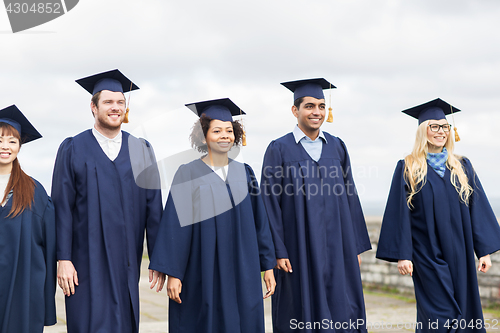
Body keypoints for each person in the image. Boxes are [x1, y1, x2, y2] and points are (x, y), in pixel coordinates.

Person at [149, 98, 276, 333]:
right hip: (202, 267)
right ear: (203, 135)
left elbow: (261, 223)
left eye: (229, 130)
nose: (224, 136)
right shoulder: (188, 173)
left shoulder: (245, 173)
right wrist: (174, 273)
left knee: (244, 319)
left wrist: (268, 265)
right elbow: (175, 225)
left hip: (242, 267)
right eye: (217, 130)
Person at [52, 69, 165, 333]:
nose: (115, 108)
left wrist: (158, 258)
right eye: (108, 102)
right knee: (87, 321)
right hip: (83, 258)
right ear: (93, 107)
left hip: (127, 256)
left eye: (120, 103)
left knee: (124, 320)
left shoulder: (141, 149)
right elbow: (62, 207)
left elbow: (154, 208)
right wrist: (63, 258)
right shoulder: (72, 148)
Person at [376, 98, 500, 333]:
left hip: (461, 253)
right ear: (423, 130)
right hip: (426, 255)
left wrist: (483, 251)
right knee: (439, 313)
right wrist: (403, 255)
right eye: (434, 126)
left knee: (464, 312)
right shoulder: (408, 167)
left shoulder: (462, 167)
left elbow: (478, 208)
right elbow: (398, 214)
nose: (441, 132)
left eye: (445, 127)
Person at [260, 78, 372, 333]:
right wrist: (278, 250)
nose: (317, 112)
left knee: (342, 306)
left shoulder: (337, 146)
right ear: (295, 110)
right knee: (300, 307)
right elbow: (269, 204)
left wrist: (354, 245)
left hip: (338, 246)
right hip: (297, 247)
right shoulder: (279, 149)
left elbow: (350, 196)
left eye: (321, 106)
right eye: (309, 106)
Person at [0, 105, 56, 333]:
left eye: (12, 141)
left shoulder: (34, 191)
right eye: (0, 139)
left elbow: (50, 246)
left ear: (20, 147)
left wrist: (45, 298)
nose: (5, 146)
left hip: (22, 289)